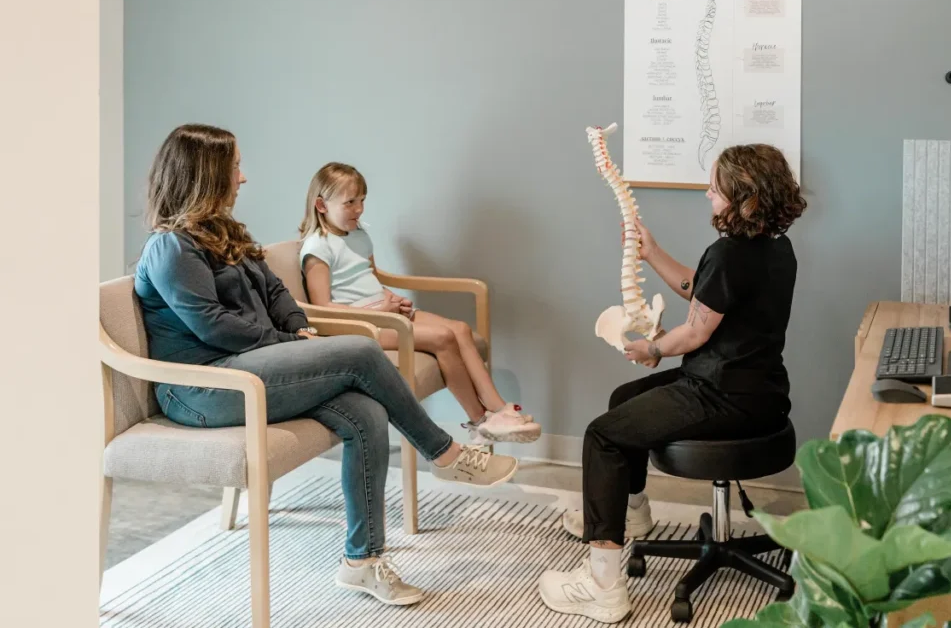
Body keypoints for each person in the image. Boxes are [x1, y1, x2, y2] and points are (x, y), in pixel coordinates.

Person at [134, 124, 519, 607]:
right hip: (204, 389)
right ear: (205, 174)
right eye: (235, 168)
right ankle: (445, 454)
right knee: (360, 351)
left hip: (251, 367)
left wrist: (298, 328)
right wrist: (289, 341)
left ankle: (362, 561)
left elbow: (276, 292)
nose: (243, 178)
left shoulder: (225, 234)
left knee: (367, 412)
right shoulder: (171, 247)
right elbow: (213, 327)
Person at [538, 144, 807, 623]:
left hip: (719, 394)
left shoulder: (728, 254)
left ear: (743, 197)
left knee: (602, 435)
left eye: (715, 188)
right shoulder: (775, 248)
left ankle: (602, 586)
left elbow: (696, 332)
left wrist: (654, 348)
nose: (707, 194)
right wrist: (653, 253)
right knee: (623, 399)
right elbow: (706, 295)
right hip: (760, 392)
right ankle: (631, 512)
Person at [298, 162, 542, 446]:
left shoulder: (359, 235)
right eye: (350, 202)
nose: (359, 209)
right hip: (361, 326)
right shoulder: (317, 247)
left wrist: (391, 298)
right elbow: (323, 307)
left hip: (385, 313)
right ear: (321, 205)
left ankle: (498, 409)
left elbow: (368, 279)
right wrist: (380, 311)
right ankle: (479, 421)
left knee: (460, 329)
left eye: (362, 200)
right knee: (443, 338)